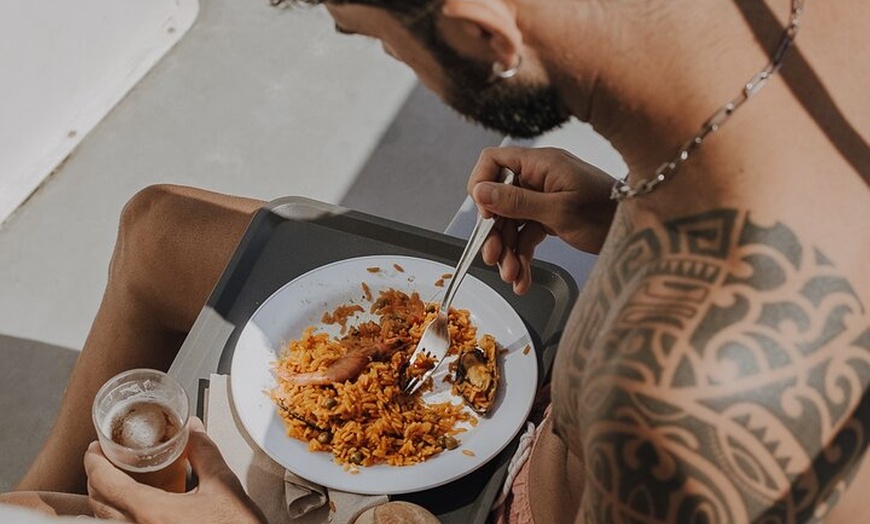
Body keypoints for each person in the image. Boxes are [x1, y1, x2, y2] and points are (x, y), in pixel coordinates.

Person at [2, 0, 868, 522]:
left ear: (482, 33)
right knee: (159, 230)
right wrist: (627, 208)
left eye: (375, 37)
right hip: (569, 422)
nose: (394, 61)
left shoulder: (688, 402)